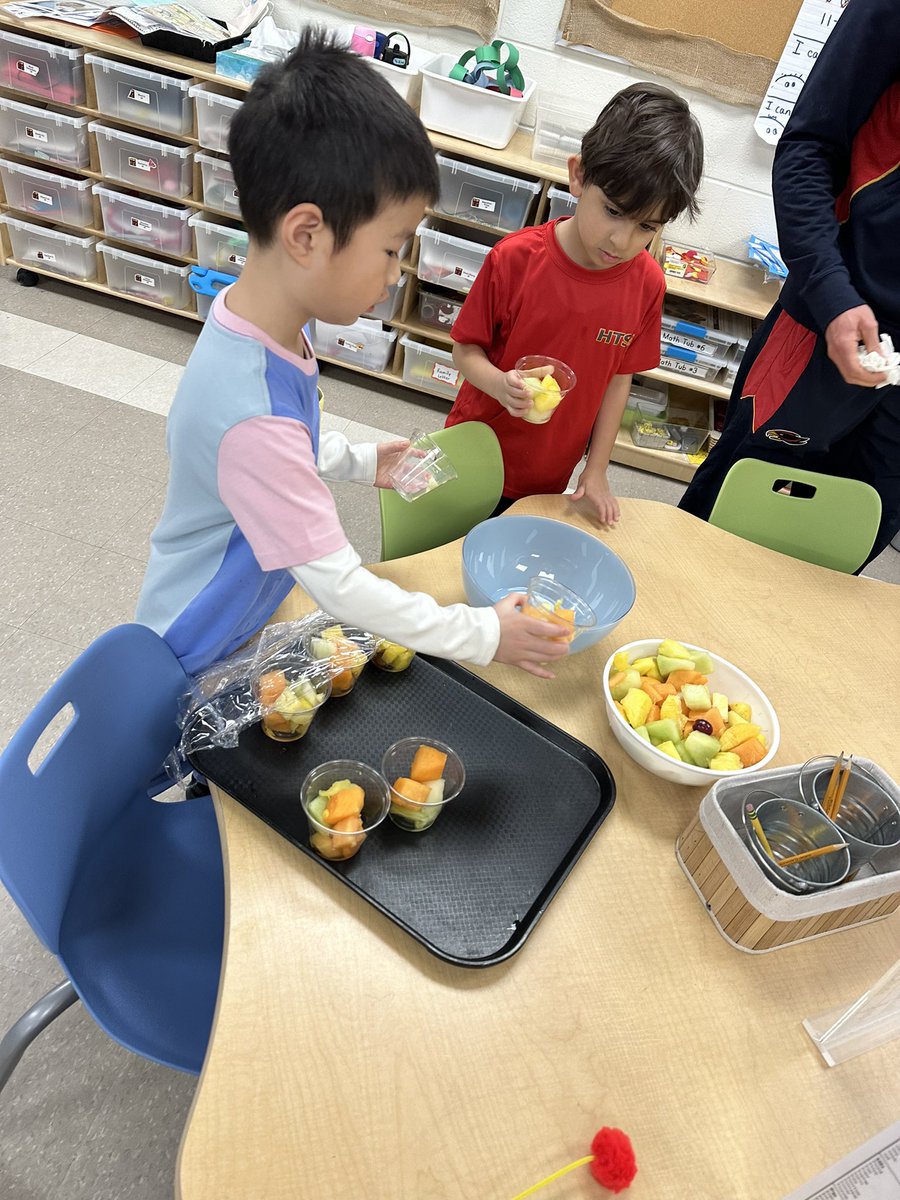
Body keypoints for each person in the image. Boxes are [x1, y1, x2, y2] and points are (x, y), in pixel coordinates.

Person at [136, 29, 568, 680]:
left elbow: (276, 449)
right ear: (308, 234)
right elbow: (341, 584)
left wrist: (360, 460)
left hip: (245, 607)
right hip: (199, 646)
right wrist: (481, 632)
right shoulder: (250, 402)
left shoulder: (260, 328)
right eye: (393, 248)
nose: (397, 274)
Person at [679, 0, 900, 565]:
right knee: (727, 518)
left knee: (840, 550)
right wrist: (830, 294)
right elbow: (808, 148)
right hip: (831, 318)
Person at [444, 83, 704, 524]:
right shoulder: (515, 259)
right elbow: (465, 351)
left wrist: (597, 469)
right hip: (474, 452)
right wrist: (498, 384)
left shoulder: (647, 284)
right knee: (446, 561)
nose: (622, 240)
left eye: (646, 226)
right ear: (580, 176)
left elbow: (619, 381)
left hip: (548, 474)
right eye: (614, 211)